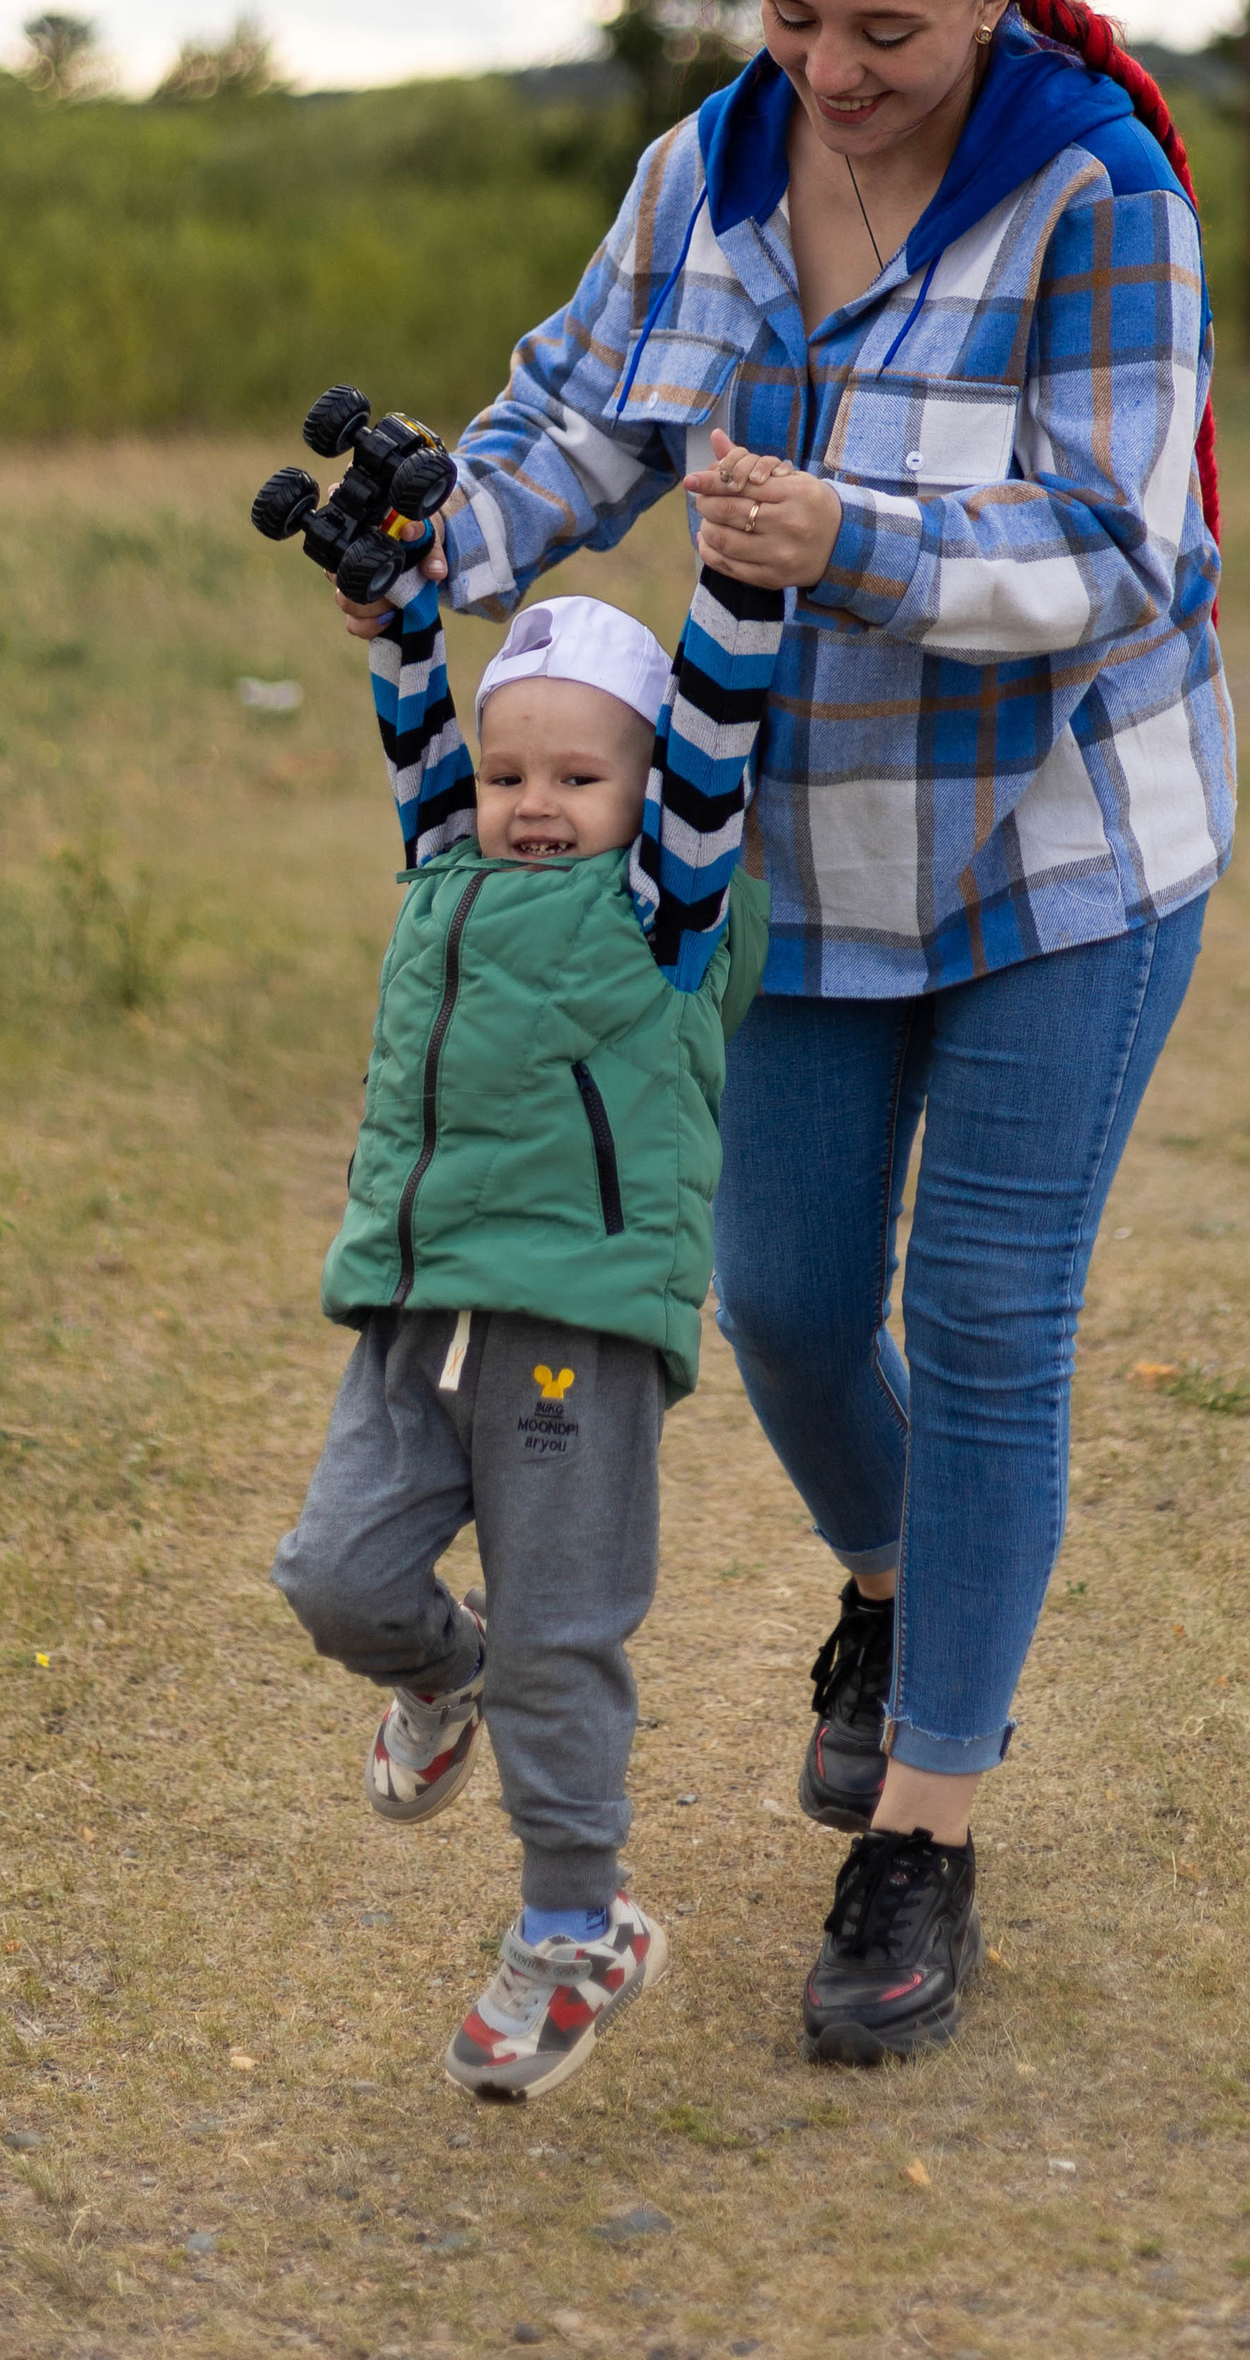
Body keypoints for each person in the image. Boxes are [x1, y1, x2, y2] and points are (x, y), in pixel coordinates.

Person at [340, 0, 1232, 2064]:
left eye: (887, 29)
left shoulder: (1095, 195)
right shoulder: (704, 176)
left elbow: (1130, 553)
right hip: (797, 859)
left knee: (994, 1313)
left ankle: (922, 1830)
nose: (828, 70)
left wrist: (857, 537)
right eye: (791, 14)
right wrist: (449, 540)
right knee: (784, 1300)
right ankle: (894, 1575)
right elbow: (573, 422)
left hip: (1066, 846)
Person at [272, 539, 781, 2100]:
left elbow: (709, 737)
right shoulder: (454, 875)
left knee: (563, 1637)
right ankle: (441, 1670)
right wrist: (399, 624)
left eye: (579, 774)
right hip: (421, 1311)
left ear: (648, 794)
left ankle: (577, 1925)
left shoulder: (666, 915)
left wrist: (738, 580)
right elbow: (423, 748)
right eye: (511, 774)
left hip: (575, 1322)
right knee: (337, 1574)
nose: (534, 801)